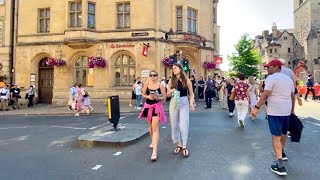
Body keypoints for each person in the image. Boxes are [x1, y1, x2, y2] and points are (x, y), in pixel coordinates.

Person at [252, 59, 295, 176]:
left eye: (268, 67)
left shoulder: (271, 78)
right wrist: (292, 111)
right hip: (286, 111)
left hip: (275, 111)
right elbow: (292, 96)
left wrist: (256, 107)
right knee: (283, 134)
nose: (267, 69)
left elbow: (265, 94)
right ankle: (281, 153)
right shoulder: (289, 79)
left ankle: (280, 166)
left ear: (276, 67)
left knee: (275, 137)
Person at [167, 63, 195, 158]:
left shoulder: (187, 81)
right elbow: (167, 94)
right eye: (172, 68)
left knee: (183, 125)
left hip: (183, 102)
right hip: (174, 101)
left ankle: (184, 146)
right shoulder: (171, 80)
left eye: (175, 68)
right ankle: (178, 143)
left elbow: (191, 94)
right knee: (174, 124)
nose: (173, 70)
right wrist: (170, 91)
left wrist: (191, 103)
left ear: (180, 69)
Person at [138, 70, 166, 161]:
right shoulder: (146, 84)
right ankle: (153, 142)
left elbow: (164, 97)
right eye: (151, 75)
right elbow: (143, 94)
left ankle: (154, 151)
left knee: (155, 128)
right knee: (150, 127)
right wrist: (148, 97)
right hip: (148, 106)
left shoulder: (160, 85)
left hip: (156, 107)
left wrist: (157, 98)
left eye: (154, 75)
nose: (152, 76)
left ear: (157, 76)